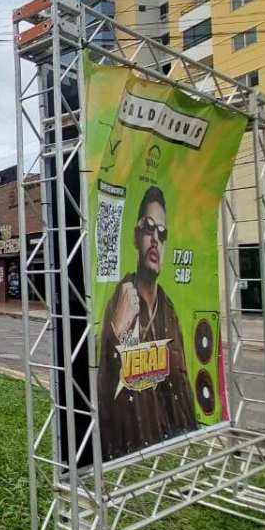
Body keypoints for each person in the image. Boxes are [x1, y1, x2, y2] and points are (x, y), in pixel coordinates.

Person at [96, 185, 195, 461]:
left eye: (162, 233)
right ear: (136, 236)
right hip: (127, 455)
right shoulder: (120, 301)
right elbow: (106, 388)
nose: (155, 239)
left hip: (166, 447)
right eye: (148, 227)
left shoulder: (169, 309)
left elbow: (181, 387)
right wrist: (116, 331)